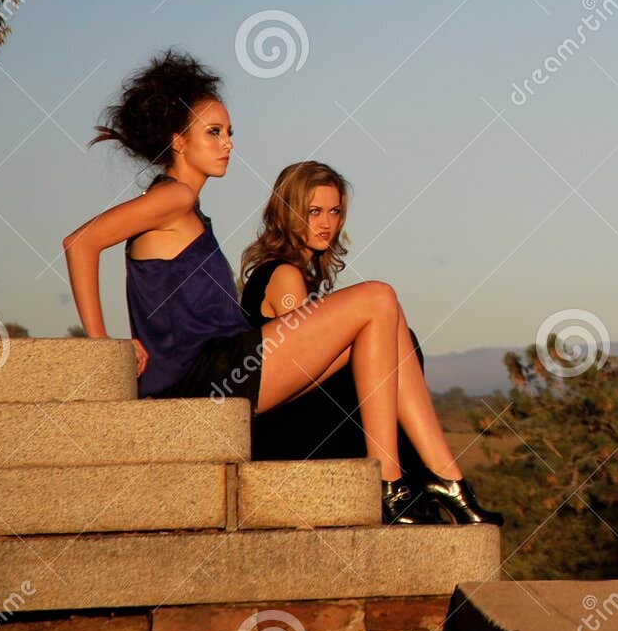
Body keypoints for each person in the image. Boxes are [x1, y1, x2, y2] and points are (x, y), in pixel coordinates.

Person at [61, 50, 501, 527]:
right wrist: (102, 344)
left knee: (388, 327)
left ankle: (444, 480)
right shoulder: (174, 196)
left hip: (225, 365)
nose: (228, 143)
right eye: (214, 133)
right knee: (378, 298)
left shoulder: (181, 205)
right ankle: (391, 484)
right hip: (208, 374)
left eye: (229, 133)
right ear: (178, 141)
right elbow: (80, 243)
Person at [237, 161, 466, 521]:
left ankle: (418, 484)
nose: (326, 223)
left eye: (334, 211)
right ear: (287, 213)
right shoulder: (284, 275)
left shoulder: (292, 271)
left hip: (296, 420)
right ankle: (417, 483)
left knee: (395, 345)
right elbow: (301, 374)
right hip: (283, 431)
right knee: (391, 351)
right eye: (314, 212)